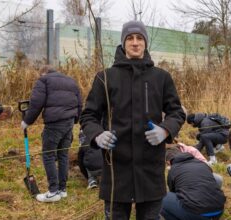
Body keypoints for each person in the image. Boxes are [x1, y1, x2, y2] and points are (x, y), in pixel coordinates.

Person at [80, 20, 185, 220]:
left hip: (150, 170)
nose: (135, 42)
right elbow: (88, 115)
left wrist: (165, 130)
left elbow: (177, 112)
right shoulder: (105, 77)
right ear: (123, 43)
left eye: (139, 38)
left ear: (145, 43)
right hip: (116, 170)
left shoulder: (161, 77)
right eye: (130, 38)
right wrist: (97, 135)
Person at [21, 65, 82, 203]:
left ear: (43, 73)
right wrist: (75, 119)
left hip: (54, 123)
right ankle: (62, 190)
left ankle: (53, 191)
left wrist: (27, 121)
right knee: (63, 154)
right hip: (69, 122)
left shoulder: (44, 81)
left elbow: (36, 103)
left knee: (48, 154)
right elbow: (79, 103)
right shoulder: (71, 81)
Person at [161, 148, 226, 220]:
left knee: (162, 198)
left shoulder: (173, 170)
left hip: (197, 214)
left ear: (168, 162)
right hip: (219, 210)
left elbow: (174, 192)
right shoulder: (201, 163)